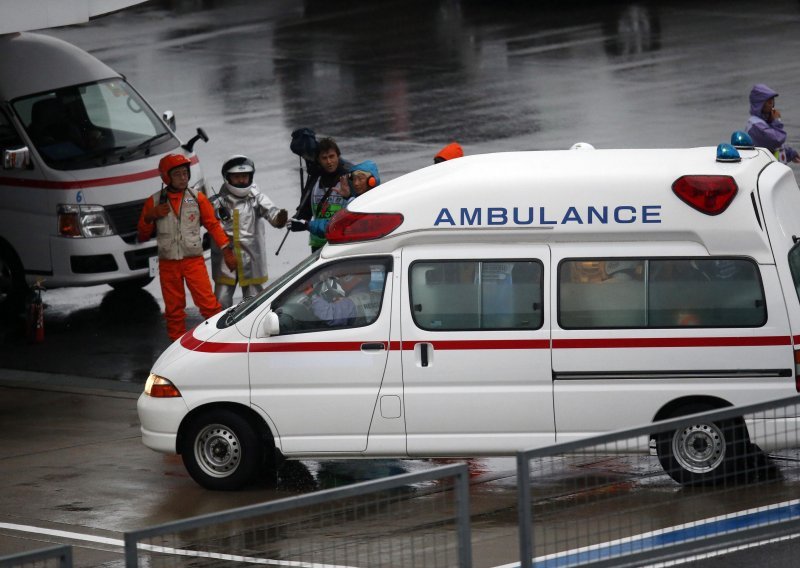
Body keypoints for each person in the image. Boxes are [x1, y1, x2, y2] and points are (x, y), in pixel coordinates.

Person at [137, 153, 236, 342]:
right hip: (168, 264)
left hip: (193, 261)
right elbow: (142, 235)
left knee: (209, 306)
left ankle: (222, 340)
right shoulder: (154, 201)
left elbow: (213, 225)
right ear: (166, 177)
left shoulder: (197, 198)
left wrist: (226, 250)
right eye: (178, 174)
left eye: (185, 173)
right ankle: (176, 348)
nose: (183, 178)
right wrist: (150, 216)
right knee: (173, 311)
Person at [210, 155, 289, 308]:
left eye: (244, 176)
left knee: (255, 303)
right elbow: (201, 220)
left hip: (252, 257)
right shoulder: (216, 202)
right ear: (227, 178)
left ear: (251, 177)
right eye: (237, 177)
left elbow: (271, 212)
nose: (241, 180)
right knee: (220, 301)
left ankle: (252, 330)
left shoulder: (257, 198)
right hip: (225, 259)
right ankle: (219, 330)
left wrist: (280, 219)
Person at [289, 160, 380, 239]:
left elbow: (336, 226)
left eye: (360, 179)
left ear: (372, 181)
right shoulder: (368, 199)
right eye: (354, 179)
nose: (355, 183)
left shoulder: (364, 205)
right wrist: (348, 197)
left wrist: (307, 225)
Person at [291, 137, 352, 251]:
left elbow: (357, 208)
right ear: (318, 160)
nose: (329, 162)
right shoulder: (314, 181)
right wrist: (296, 222)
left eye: (332, 156)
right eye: (324, 158)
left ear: (338, 156)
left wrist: (348, 196)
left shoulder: (349, 178)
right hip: (318, 245)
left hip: (344, 242)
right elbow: (305, 212)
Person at [309, 265, 380, 327]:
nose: (339, 280)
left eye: (341, 276)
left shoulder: (352, 302)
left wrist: (313, 296)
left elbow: (330, 316)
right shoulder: (374, 295)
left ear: (349, 277)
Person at [745, 83, 800, 164]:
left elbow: (777, 149)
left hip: (776, 170)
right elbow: (777, 140)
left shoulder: (765, 121)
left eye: (772, 101)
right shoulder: (756, 125)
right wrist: (777, 121)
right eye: (768, 102)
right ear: (759, 105)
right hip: (766, 171)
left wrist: (790, 153)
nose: (771, 105)